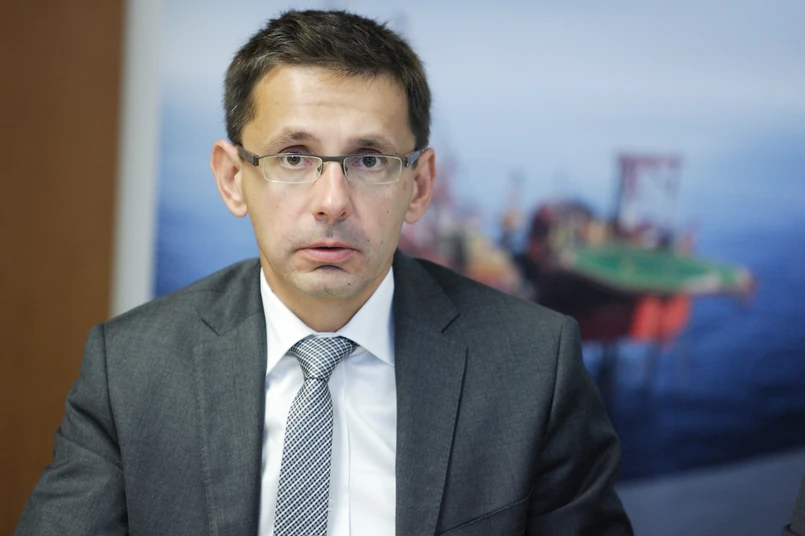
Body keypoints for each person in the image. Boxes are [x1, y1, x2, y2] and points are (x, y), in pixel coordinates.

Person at [15, 9, 632, 536]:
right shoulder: (129, 370)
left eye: (369, 159)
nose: (332, 202)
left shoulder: (535, 367)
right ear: (233, 178)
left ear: (419, 186)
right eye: (294, 157)